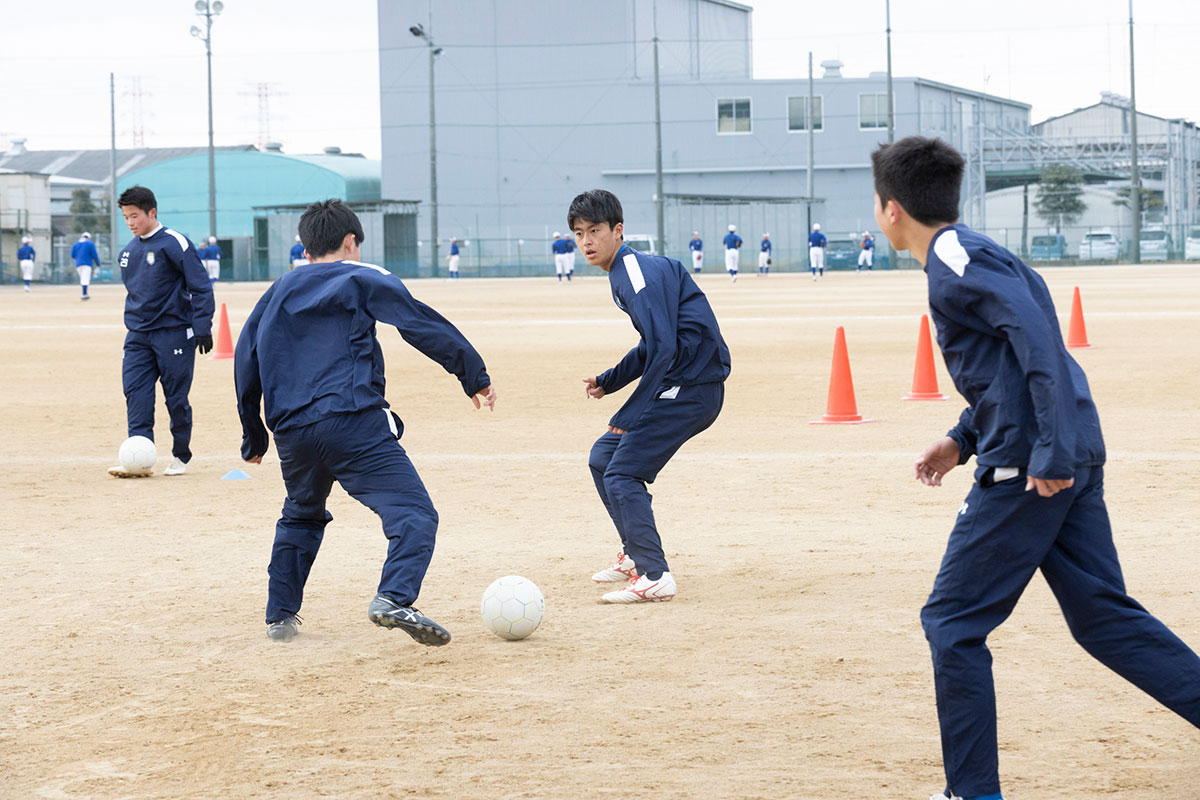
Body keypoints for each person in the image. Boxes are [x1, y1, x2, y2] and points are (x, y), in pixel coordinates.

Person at [871, 136, 1200, 800]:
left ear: (891, 209)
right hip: (1061, 447)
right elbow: (1011, 365)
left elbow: (1037, 342)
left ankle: (972, 791)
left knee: (953, 622)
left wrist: (1045, 450)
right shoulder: (979, 252)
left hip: (1032, 465)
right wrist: (962, 437)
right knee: (1103, 617)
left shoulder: (956, 260)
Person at [234, 198, 497, 645]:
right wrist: (472, 374)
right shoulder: (361, 275)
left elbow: (247, 356)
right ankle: (393, 596)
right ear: (351, 241)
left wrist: (253, 434)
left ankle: (280, 617)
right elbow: (417, 323)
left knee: (300, 515)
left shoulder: (277, 289)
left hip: (292, 431)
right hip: (351, 420)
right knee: (413, 513)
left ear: (306, 245)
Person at [570, 189, 730, 604]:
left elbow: (663, 348)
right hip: (682, 382)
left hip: (692, 388)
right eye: (578, 233)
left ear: (617, 231)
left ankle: (655, 575)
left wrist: (631, 409)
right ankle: (634, 554)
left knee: (623, 473)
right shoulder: (625, 273)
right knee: (602, 458)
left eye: (595, 231)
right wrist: (610, 380)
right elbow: (653, 344)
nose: (586, 241)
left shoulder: (634, 275)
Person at [108, 185, 214, 478]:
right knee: (136, 395)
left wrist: (202, 326)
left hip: (174, 334)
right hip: (138, 337)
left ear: (152, 212)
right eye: (126, 217)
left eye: (135, 216)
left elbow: (201, 286)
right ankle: (140, 459)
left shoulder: (175, 243)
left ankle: (181, 454)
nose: (130, 223)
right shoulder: (128, 252)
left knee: (175, 398)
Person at [70, 232, 101, 301]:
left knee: (83, 278)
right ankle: (84, 294)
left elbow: (72, 255)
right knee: (85, 279)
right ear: (88, 238)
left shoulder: (76, 244)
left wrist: (78, 258)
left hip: (78, 264)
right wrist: (98, 264)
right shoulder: (90, 244)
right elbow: (94, 255)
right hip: (87, 263)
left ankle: (84, 293)